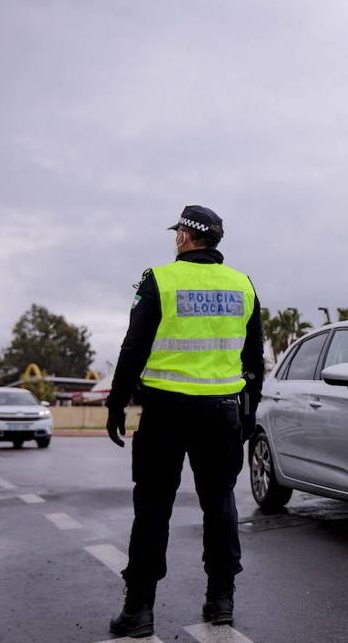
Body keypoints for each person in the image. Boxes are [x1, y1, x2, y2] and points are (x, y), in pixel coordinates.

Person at [105, 205, 265, 638]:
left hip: (165, 412)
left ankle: (139, 610)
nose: (176, 237)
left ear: (185, 237)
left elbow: (133, 346)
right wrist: (247, 410)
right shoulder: (243, 284)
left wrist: (116, 402)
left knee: (154, 506)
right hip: (221, 412)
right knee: (220, 503)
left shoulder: (160, 279)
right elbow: (254, 359)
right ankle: (221, 601)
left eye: (178, 232)